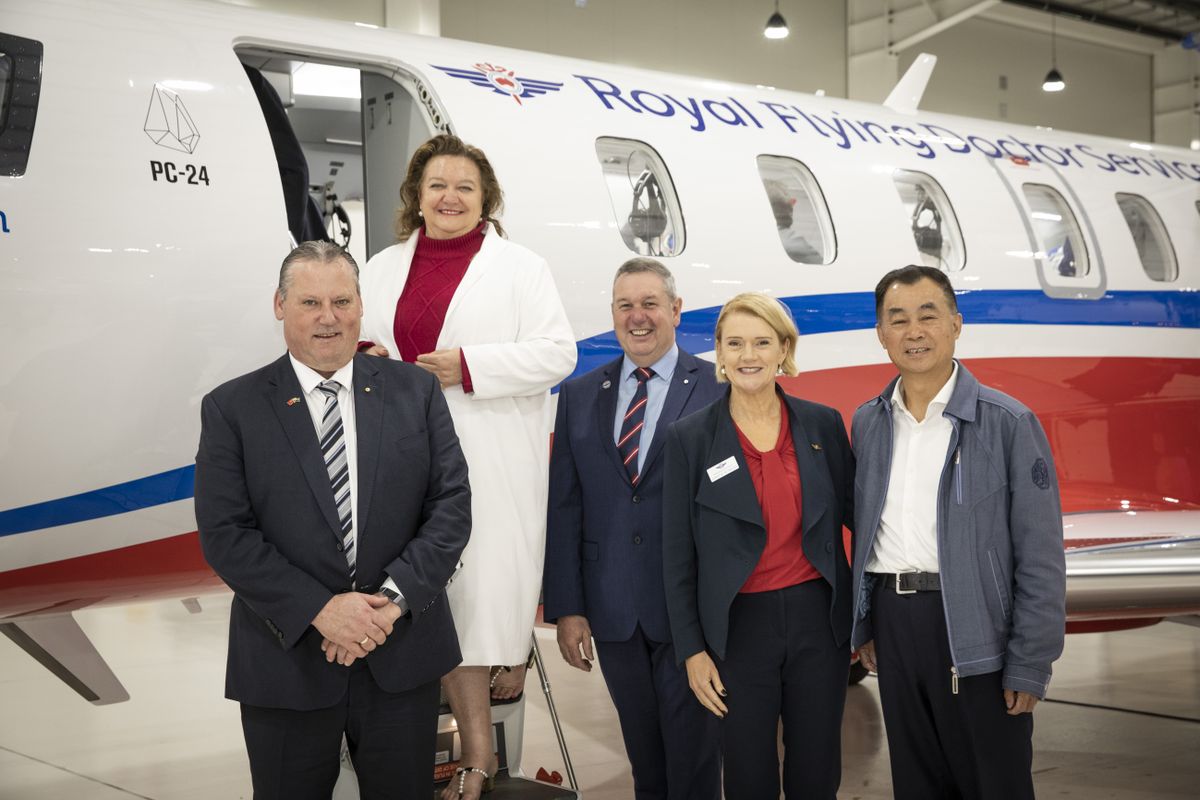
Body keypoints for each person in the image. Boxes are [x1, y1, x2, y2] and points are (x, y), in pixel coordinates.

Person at [195, 241, 471, 800]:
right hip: (287, 662)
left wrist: (388, 604)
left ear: (361, 305)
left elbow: (451, 506)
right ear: (279, 305)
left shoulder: (415, 392)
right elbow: (227, 535)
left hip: (400, 657)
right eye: (310, 302)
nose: (329, 317)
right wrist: (322, 611)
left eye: (342, 300)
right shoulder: (232, 408)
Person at [358, 134, 576, 799]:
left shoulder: (520, 268)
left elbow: (557, 353)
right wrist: (369, 354)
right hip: (399, 456)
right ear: (416, 196)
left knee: (474, 607)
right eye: (436, 185)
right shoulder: (380, 267)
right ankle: (402, 760)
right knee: (411, 601)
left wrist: (470, 366)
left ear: (485, 200)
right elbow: (358, 343)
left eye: (464, 188)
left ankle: (477, 756)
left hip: (481, 454)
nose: (449, 197)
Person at [850, 265, 1066, 800]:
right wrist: (866, 625)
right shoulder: (869, 422)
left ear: (956, 324)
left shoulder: (1008, 423)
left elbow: (1041, 555)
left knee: (994, 784)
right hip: (896, 627)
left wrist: (1030, 661)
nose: (913, 331)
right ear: (881, 334)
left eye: (928, 316)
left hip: (976, 632)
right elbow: (867, 534)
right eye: (897, 320)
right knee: (917, 783)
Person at [662, 292, 855, 800]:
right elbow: (677, 557)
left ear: (783, 350)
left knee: (817, 770)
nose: (749, 355)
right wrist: (692, 652)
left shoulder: (823, 425)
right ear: (719, 355)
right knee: (748, 773)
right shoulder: (690, 439)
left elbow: (857, 518)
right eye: (736, 343)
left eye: (762, 342)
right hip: (738, 629)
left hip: (818, 621)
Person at [544, 258, 723, 800]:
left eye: (650, 304)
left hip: (691, 612)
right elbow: (566, 506)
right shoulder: (580, 395)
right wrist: (568, 608)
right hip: (614, 608)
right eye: (625, 305)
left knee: (693, 763)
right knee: (644, 760)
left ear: (675, 310)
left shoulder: (717, 387)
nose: (637, 317)